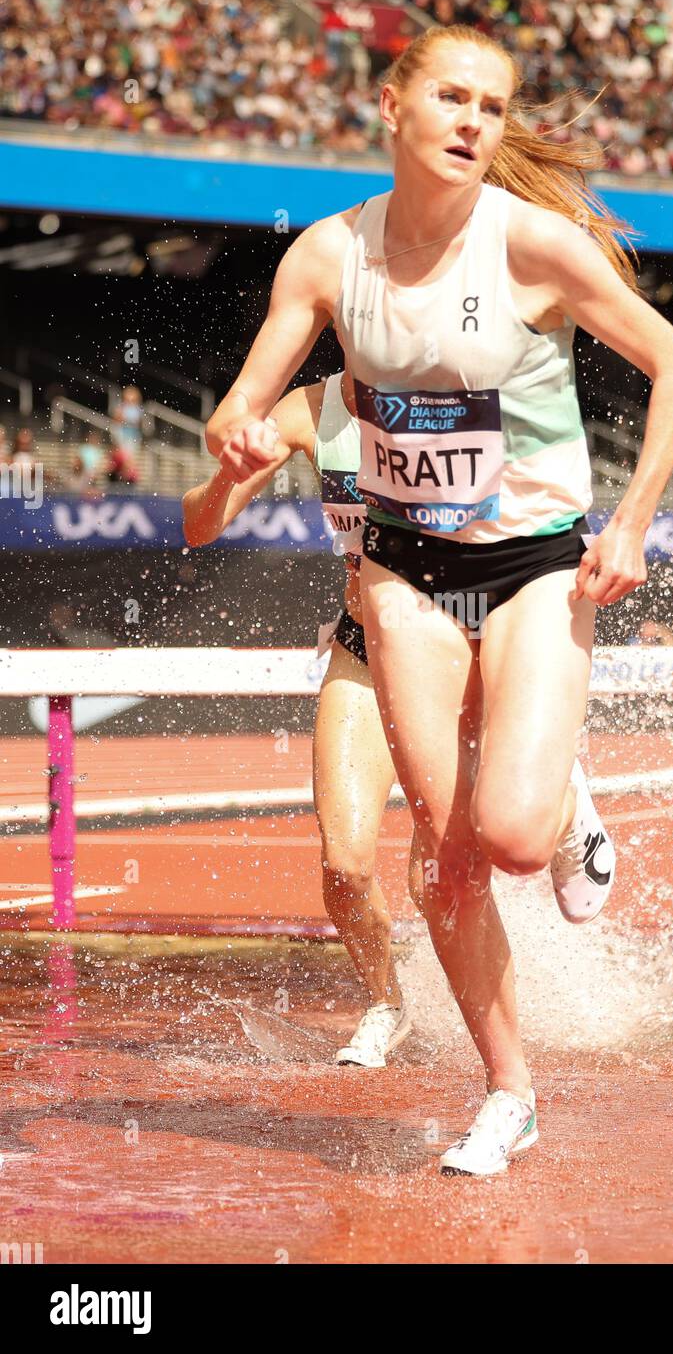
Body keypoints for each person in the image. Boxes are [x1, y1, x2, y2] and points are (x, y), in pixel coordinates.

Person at [204, 24, 673, 1175]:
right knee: (446, 846)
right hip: (402, 573)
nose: (473, 120)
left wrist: (630, 524)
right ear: (395, 105)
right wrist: (236, 434)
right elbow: (247, 399)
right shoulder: (329, 257)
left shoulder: (535, 247)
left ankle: (558, 794)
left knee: (516, 837)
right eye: (451, 96)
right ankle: (509, 1089)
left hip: (533, 563)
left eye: (491, 104)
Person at [184, 372, 422, 1068]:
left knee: (433, 884)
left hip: (458, 649)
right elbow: (199, 527)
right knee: (344, 864)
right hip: (364, 652)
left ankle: (557, 791)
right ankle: (386, 1001)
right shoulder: (309, 411)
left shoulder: (463, 386)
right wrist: (231, 474)